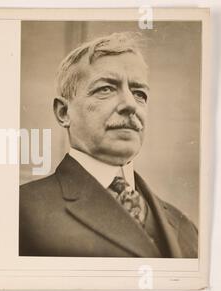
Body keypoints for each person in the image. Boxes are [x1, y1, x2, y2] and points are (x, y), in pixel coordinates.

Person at [19, 32, 198, 258]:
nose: (130, 105)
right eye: (106, 89)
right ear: (64, 112)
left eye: (139, 93)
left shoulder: (185, 227)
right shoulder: (22, 210)